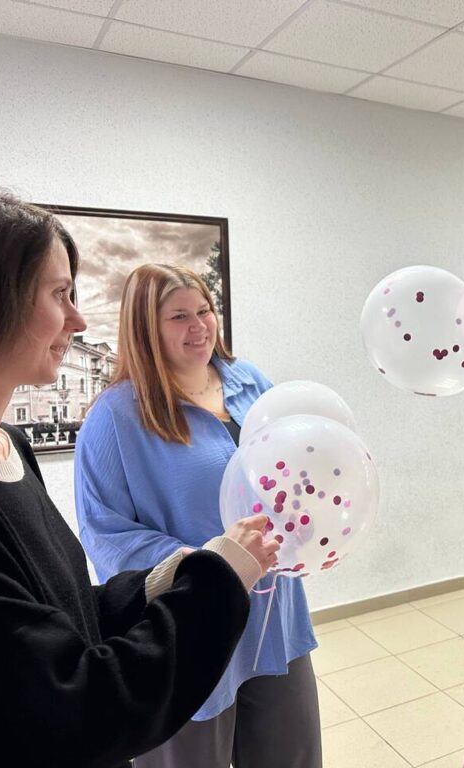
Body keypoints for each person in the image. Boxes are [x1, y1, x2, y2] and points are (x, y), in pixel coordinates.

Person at [0, 183, 279, 768]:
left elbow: (65, 612)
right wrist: (217, 582)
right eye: (59, 294)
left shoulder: (8, 447)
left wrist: (179, 572)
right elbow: (73, 707)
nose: (76, 318)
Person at [74, 264, 320, 768]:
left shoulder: (250, 383)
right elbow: (106, 535)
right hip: (188, 625)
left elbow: (291, 469)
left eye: (204, 310)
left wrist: (309, 522)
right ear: (145, 328)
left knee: (291, 753)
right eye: (179, 316)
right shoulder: (115, 417)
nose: (199, 326)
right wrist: (213, 561)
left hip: (274, 614)